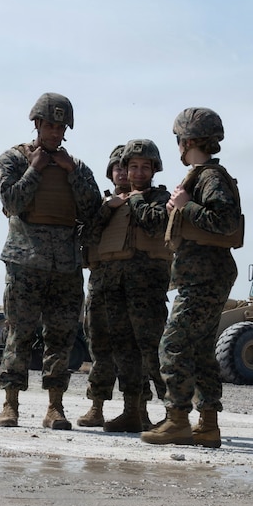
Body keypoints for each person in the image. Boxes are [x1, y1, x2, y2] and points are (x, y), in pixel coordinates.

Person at [0, 92, 100, 428]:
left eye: (61, 127)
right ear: (37, 124)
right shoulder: (13, 160)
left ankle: (55, 407)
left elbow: (93, 212)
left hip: (66, 266)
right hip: (25, 263)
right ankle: (10, 403)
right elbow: (13, 202)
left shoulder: (76, 167)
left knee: (61, 339)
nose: (56, 132)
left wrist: (72, 173)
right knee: (19, 335)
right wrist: (35, 169)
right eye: (51, 125)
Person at [142, 107, 243, 448]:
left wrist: (187, 205)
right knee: (199, 350)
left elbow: (226, 221)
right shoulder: (202, 176)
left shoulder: (209, 177)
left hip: (204, 277)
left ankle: (177, 420)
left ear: (186, 141)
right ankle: (208, 424)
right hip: (204, 275)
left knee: (173, 345)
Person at [80, 138, 171, 432]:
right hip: (112, 287)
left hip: (146, 288)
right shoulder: (110, 203)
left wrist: (135, 199)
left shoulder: (161, 198)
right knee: (123, 352)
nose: (138, 172)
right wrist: (108, 208)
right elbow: (88, 236)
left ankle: (174, 414)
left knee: (153, 352)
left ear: (154, 169)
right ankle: (132, 411)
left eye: (145, 167)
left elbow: (155, 225)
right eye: (133, 166)